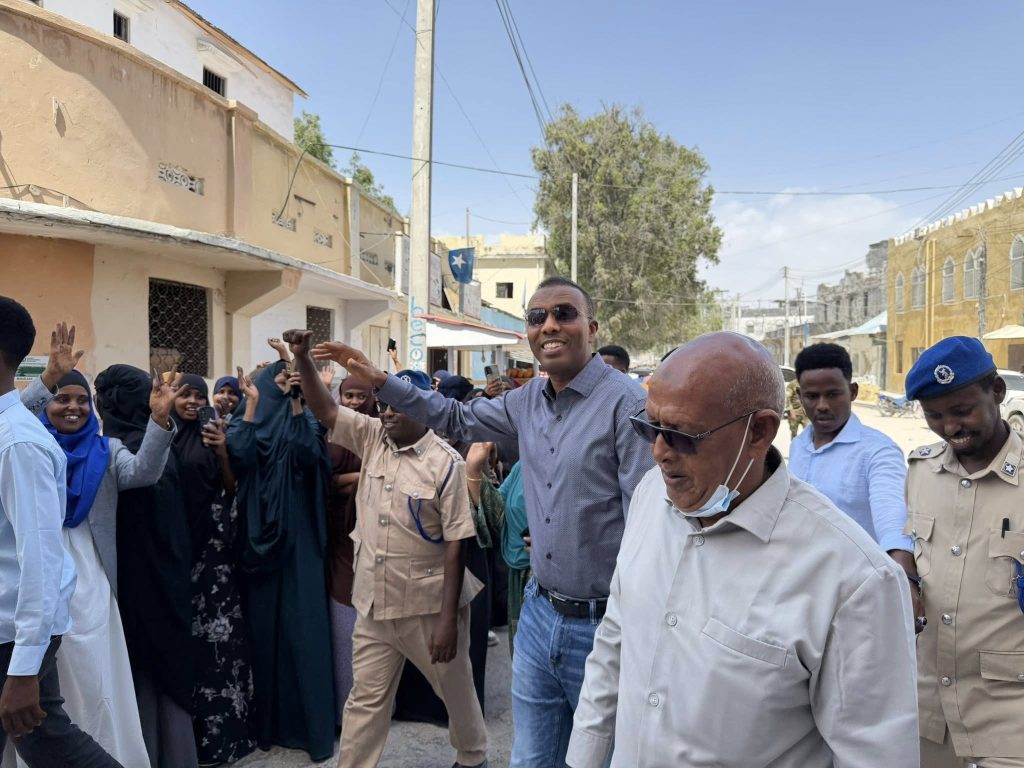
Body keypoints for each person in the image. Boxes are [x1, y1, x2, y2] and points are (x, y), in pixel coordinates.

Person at [311, 276, 652, 767]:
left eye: (564, 314)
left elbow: (648, 525)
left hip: (601, 624)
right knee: (530, 758)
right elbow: (454, 417)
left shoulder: (627, 403)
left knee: (597, 757)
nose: (549, 326)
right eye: (537, 318)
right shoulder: (527, 400)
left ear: (592, 328)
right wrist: (383, 381)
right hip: (538, 613)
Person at [566, 332, 919, 768]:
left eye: (681, 435)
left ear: (760, 432)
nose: (658, 452)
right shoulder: (649, 496)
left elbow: (875, 754)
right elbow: (615, 641)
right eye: (649, 427)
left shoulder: (854, 580)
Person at [284, 329, 488, 768]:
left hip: (428, 607)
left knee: (455, 689)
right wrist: (303, 360)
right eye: (385, 404)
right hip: (375, 602)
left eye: (399, 404)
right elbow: (326, 410)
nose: (389, 412)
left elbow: (457, 542)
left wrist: (447, 621)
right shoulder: (372, 436)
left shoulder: (445, 463)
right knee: (365, 699)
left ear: (423, 408)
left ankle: (473, 756)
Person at [17, 324, 179, 768]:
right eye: (62, 398)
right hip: (38, 575)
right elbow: (12, 416)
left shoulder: (106, 451)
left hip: (91, 579)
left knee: (94, 672)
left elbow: (144, 472)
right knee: (51, 673)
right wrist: (48, 378)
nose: (72, 407)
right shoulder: (29, 445)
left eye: (81, 400)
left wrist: (159, 420)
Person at [0, 297, 122, 767]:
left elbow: (40, 560)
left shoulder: (19, 445)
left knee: (50, 742)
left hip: (11, 631)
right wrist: (48, 377)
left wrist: (24, 668)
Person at [904, 337, 1024, 768]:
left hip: (1010, 718)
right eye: (934, 416)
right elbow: (913, 553)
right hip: (930, 716)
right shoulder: (920, 472)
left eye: (961, 411)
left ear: (997, 391)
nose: (950, 427)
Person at [226, 361, 335, 763]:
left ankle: (311, 729)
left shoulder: (303, 416)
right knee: (264, 633)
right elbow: (239, 456)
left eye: (288, 379)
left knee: (303, 629)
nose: (283, 383)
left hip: (299, 537)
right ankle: (267, 726)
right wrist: (253, 404)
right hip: (257, 537)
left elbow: (308, 454)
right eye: (278, 379)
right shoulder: (249, 413)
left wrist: (297, 402)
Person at [92, 365, 196, 768]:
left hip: (142, 586)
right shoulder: (121, 446)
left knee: (145, 673)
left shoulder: (127, 450)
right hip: (163, 580)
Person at [788, 343, 923, 628]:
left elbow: (892, 514)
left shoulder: (878, 451)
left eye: (833, 394)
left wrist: (904, 578)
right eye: (812, 396)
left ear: (852, 392)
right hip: (800, 590)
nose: (822, 405)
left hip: (856, 596)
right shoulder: (799, 446)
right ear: (799, 396)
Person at [172, 374, 255, 765]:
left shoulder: (212, 434)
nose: (192, 402)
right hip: (176, 554)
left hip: (213, 557)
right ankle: (185, 740)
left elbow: (232, 489)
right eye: (184, 394)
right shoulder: (161, 435)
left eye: (198, 395)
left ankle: (225, 738)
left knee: (220, 645)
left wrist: (222, 452)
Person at [325, 376, 376, 730]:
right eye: (348, 396)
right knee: (345, 622)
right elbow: (325, 481)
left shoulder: (379, 432)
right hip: (341, 538)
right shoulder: (331, 433)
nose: (354, 402)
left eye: (361, 396)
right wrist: (360, 478)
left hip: (376, 535)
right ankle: (347, 706)